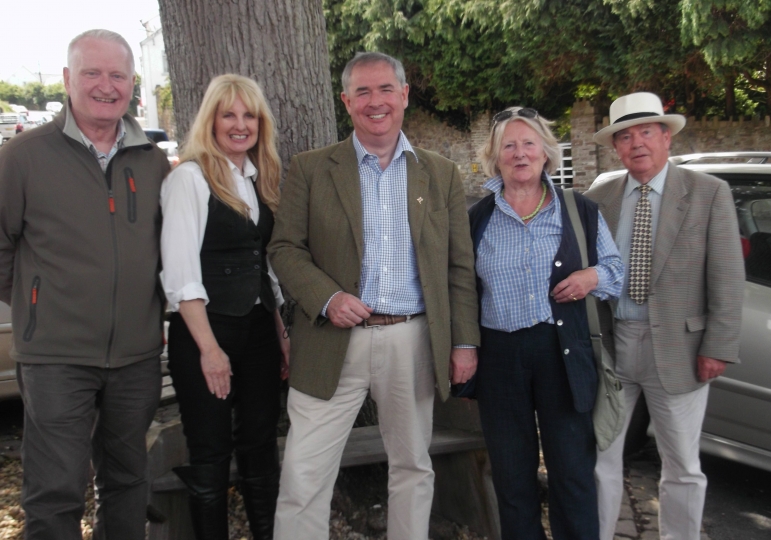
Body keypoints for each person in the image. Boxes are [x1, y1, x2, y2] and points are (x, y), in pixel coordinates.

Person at [268, 51, 480, 540]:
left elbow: (458, 267)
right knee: (303, 475)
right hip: (328, 341)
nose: (375, 101)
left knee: (412, 467)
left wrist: (464, 343)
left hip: (413, 340)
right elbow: (284, 248)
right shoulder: (311, 169)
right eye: (362, 91)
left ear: (404, 95)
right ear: (346, 102)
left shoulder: (440, 173)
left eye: (386, 89)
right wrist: (327, 297)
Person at [0, 30, 170, 539]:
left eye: (117, 75)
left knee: (127, 482)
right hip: (55, 356)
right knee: (56, 491)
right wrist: (37, 305)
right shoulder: (23, 156)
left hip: (137, 355)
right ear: (68, 80)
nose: (105, 86)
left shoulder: (153, 161)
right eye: (92, 74)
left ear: (132, 85)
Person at [585, 92, 744, 540]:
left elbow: (728, 278)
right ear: (616, 146)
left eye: (647, 132)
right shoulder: (601, 194)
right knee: (600, 458)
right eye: (625, 136)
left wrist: (718, 347)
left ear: (666, 137)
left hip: (679, 350)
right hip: (614, 348)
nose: (637, 143)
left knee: (681, 466)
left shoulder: (709, 193)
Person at [469, 107, 623, 539]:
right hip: (499, 359)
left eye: (529, 143)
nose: (520, 154)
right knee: (511, 476)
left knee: (572, 471)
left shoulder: (579, 210)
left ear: (546, 153)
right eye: (509, 146)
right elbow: (461, 288)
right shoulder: (477, 217)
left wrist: (590, 276)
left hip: (562, 353)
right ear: (495, 157)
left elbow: (614, 269)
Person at [160, 74, 289, 540]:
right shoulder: (189, 179)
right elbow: (179, 276)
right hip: (204, 333)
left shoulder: (259, 179)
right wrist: (211, 351)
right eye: (228, 114)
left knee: (260, 449)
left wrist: (279, 332)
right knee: (210, 455)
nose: (240, 125)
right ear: (210, 122)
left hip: (257, 332)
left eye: (249, 115)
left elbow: (264, 268)